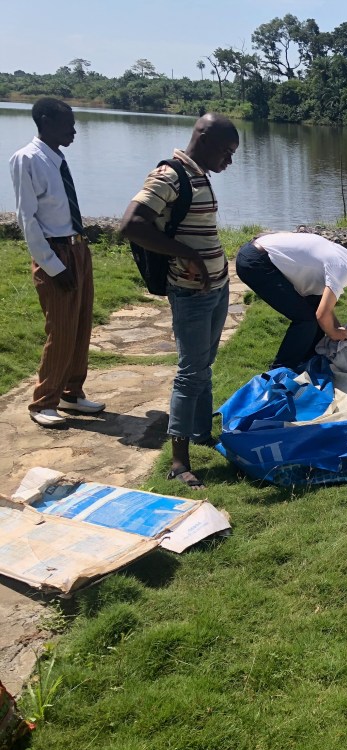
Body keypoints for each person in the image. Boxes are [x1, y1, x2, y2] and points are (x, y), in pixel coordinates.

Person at [119, 114, 239, 490]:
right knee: (190, 373)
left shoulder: (200, 174)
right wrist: (190, 255)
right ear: (203, 139)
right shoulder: (170, 176)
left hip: (215, 289)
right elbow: (131, 225)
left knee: (204, 366)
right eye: (226, 151)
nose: (229, 160)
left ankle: (202, 435)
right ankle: (179, 461)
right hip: (190, 292)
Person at [9, 98, 105, 428]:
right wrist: (52, 265)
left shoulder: (57, 158)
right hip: (55, 251)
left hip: (77, 248)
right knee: (61, 329)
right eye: (69, 124)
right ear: (46, 121)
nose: (74, 131)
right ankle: (43, 401)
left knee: (80, 325)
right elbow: (27, 218)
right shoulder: (27, 159)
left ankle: (71, 392)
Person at [235, 232, 347, 371]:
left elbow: (322, 307)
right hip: (256, 263)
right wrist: (334, 333)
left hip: (256, 253)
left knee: (313, 311)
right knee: (305, 319)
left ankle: (308, 360)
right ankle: (280, 371)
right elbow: (322, 315)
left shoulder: (346, 258)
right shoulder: (343, 271)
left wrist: (336, 328)